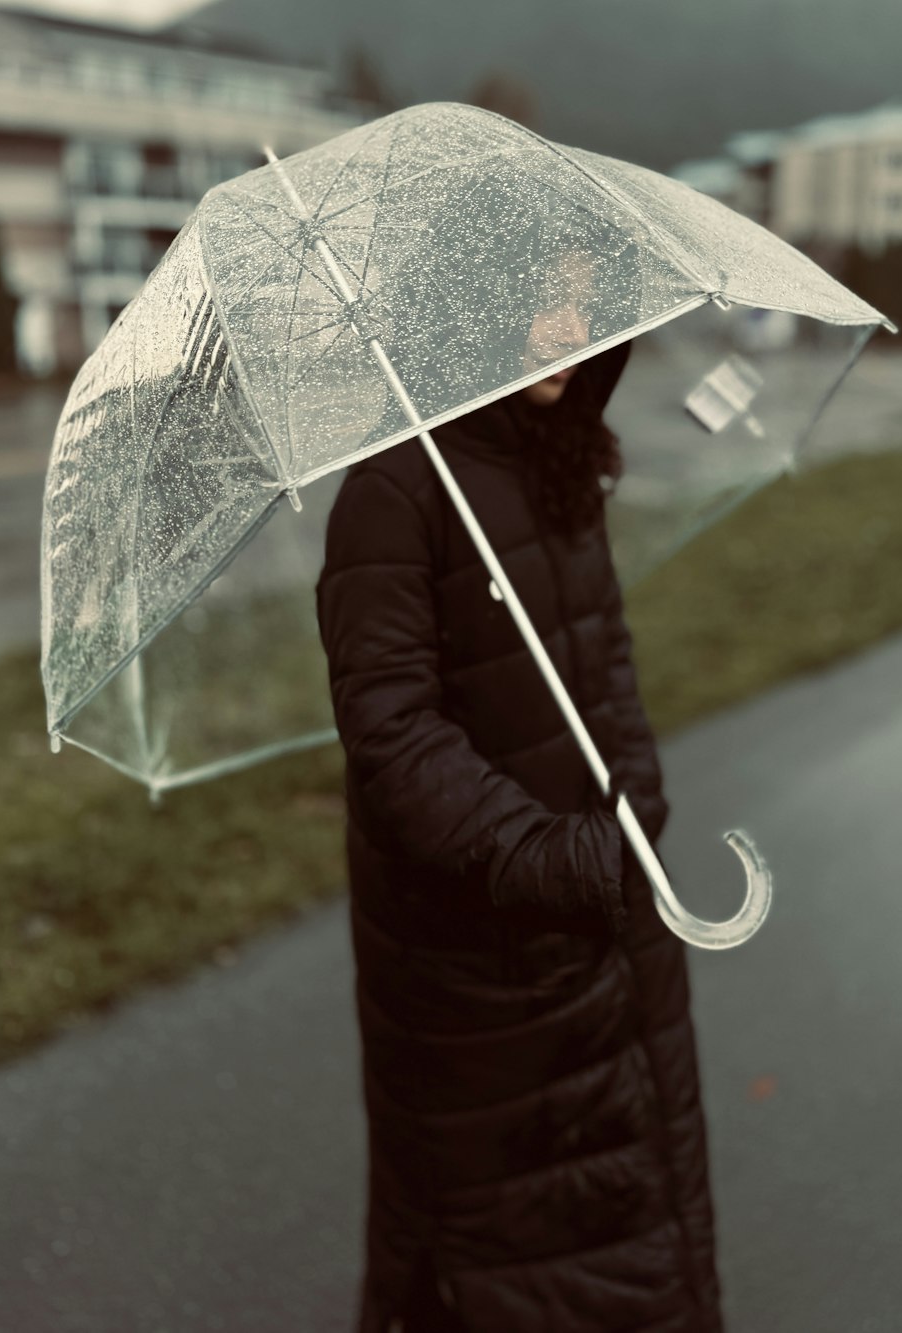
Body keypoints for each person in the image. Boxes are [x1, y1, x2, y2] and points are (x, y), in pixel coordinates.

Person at [316, 256, 723, 1333]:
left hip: (604, 920)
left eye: (585, 301)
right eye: (538, 296)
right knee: (509, 1250)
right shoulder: (392, 493)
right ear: (470, 300)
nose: (566, 326)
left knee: (643, 1201)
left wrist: (638, 816)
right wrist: (548, 858)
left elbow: (608, 667)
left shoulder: (562, 458)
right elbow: (392, 738)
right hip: (479, 962)